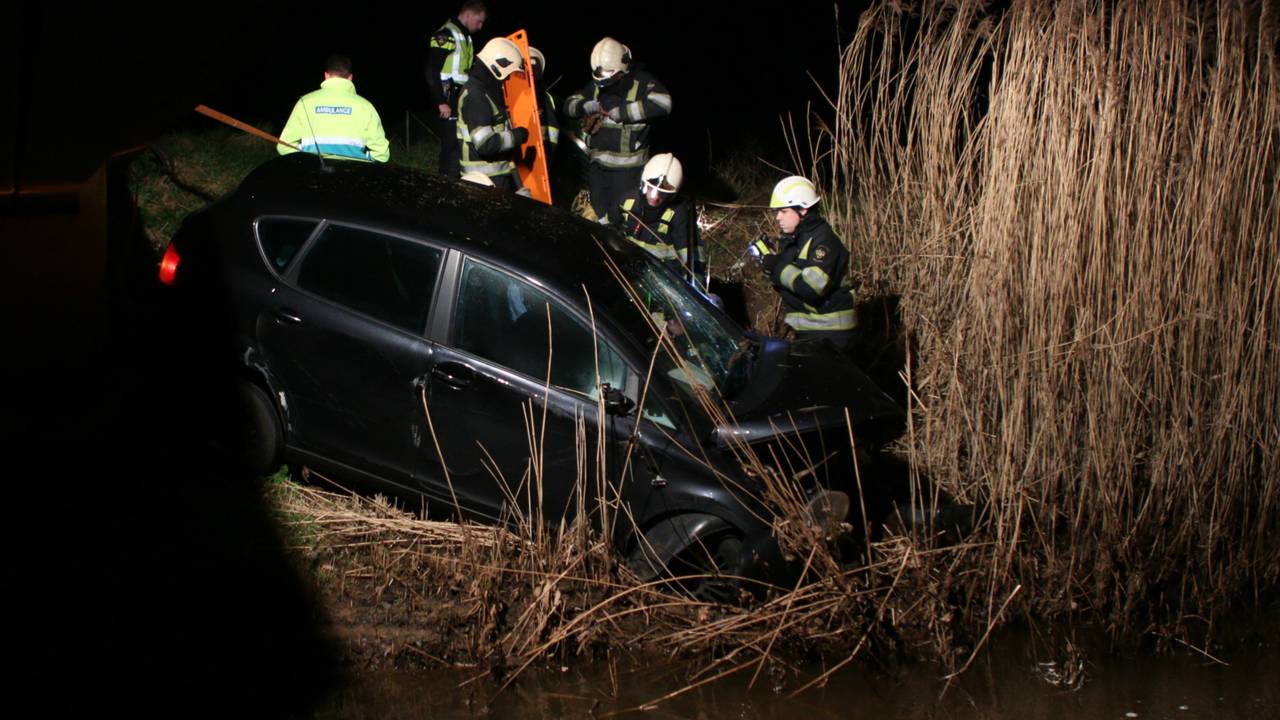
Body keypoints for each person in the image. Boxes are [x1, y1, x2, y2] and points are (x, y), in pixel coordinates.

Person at [565, 37, 672, 219]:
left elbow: (664, 103)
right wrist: (583, 105)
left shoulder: (642, 82)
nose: (604, 86)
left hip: (629, 172)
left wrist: (625, 112)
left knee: (622, 220)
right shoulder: (597, 85)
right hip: (598, 168)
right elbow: (568, 105)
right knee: (597, 218)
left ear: (622, 70)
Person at [751, 176, 858, 351]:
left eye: (784, 211)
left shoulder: (824, 242)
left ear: (803, 210)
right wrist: (769, 260)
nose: (778, 217)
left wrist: (776, 266)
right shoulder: (799, 238)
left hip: (832, 335)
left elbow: (811, 288)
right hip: (811, 331)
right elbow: (788, 279)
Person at [605, 153, 704, 285]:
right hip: (626, 267)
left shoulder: (678, 214)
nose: (654, 197)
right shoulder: (627, 201)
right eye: (650, 188)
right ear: (643, 183)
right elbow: (605, 229)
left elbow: (691, 257)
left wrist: (695, 285)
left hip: (660, 277)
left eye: (663, 193)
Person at [278, 54, 389, 162]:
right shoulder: (365, 106)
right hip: (353, 176)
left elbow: (284, 147)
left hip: (312, 176)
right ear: (350, 77)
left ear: (326, 75)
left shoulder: (304, 102)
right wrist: (363, 159)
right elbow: (382, 155)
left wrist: (305, 157)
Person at [457, 37, 530, 192]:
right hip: (484, 183)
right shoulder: (475, 95)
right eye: (508, 73)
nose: (508, 78)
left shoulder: (485, 91)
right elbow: (486, 144)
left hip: (497, 178)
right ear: (499, 66)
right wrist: (518, 136)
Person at [425, 1, 487, 176]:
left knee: (460, 145)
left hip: (460, 98)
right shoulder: (446, 34)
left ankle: (458, 183)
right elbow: (431, 71)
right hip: (448, 98)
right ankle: (446, 185)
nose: (480, 26)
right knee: (450, 146)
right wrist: (441, 102)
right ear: (468, 14)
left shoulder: (465, 36)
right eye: (479, 21)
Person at [527, 47, 560, 183]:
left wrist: (548, 156)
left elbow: (553, 132)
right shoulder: (513, 94)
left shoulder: (545, 98)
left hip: (540, 158)